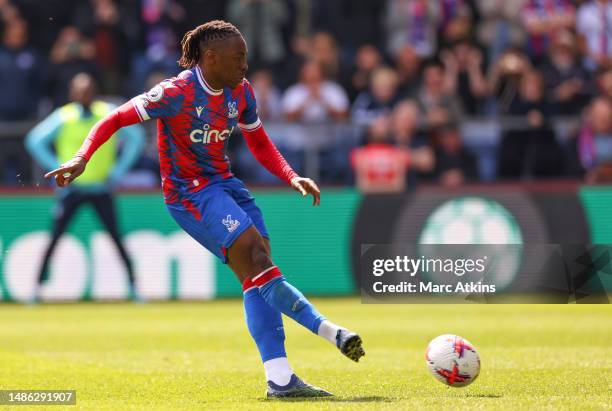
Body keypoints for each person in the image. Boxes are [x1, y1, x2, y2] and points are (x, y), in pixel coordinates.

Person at [44, 20, 364, 399]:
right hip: (189, 194)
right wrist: (82, 157)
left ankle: (279, 378)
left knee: (256, 275)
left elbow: (258, 141)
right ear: (210, 58)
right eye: (238, 58)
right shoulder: (175, 92)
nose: (245, 65)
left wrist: (290, 175)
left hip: (225, 184)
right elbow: (115, 117)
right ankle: (332, 332)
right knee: (258, 262)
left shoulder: (240, 92)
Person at [25, 73, 145, 301]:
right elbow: (34, 141)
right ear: (72, 94)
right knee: (55, 239)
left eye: (89, 90)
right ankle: (37, 288)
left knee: (116, 239)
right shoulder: (64, 116)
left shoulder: (106, 112)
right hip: (72, 190)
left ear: (95, 92)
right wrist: (58, 167)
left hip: (101, 189)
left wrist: (118, 171)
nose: (85, 95)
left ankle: (134, 287)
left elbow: (137, 138)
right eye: (80, 91)